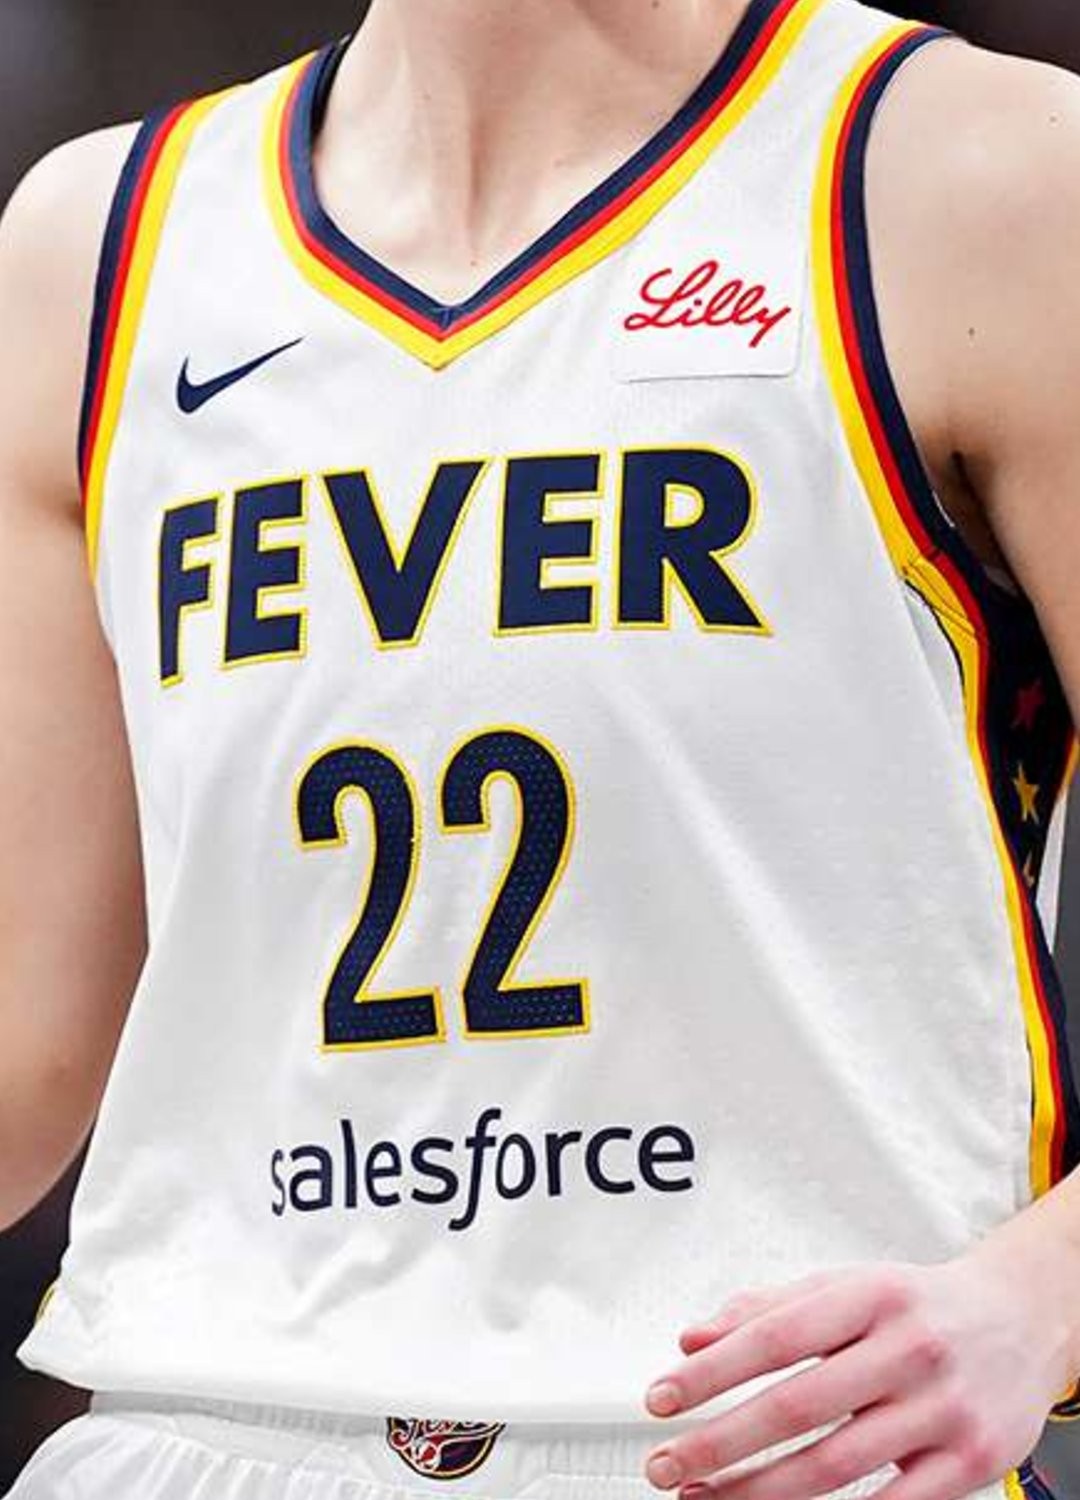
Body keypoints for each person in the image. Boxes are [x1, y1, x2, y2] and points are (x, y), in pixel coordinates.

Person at [2, 0, 1080, 1496]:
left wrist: (1038, 1299)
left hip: (777, 1434)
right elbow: (29, 1046)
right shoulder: (95, 245)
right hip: (197, 1429)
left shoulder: (987, 173)